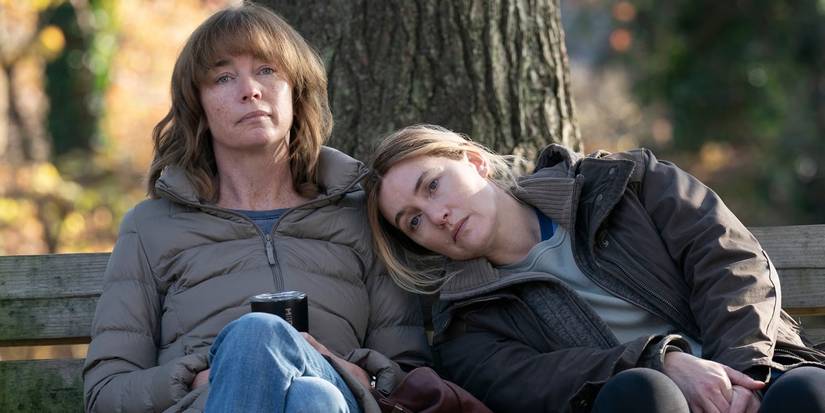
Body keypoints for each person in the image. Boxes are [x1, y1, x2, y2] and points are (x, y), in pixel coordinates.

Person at [82, 4, 432, 412]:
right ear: (199, 106)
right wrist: (209, 374)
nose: (250, 90)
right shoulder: (151, 228)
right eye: (224, 77)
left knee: (309, 387)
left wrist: (356, 373)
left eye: (267, 70)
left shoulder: (359, 214)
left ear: (296, 90)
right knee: (289, 376)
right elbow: (105, 394)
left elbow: (407, 375)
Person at [363, 124, 825, 413]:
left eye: (434, 185)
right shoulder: (467, 332)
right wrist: (662, 361)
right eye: (415, 221)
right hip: (645, 403)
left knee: (804, 395)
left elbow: (729, 262)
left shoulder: (624, 185)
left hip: (758, 367)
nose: (437, 215)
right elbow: (548, 385)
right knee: (644, 395)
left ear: (477, 163)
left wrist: (738, 375)